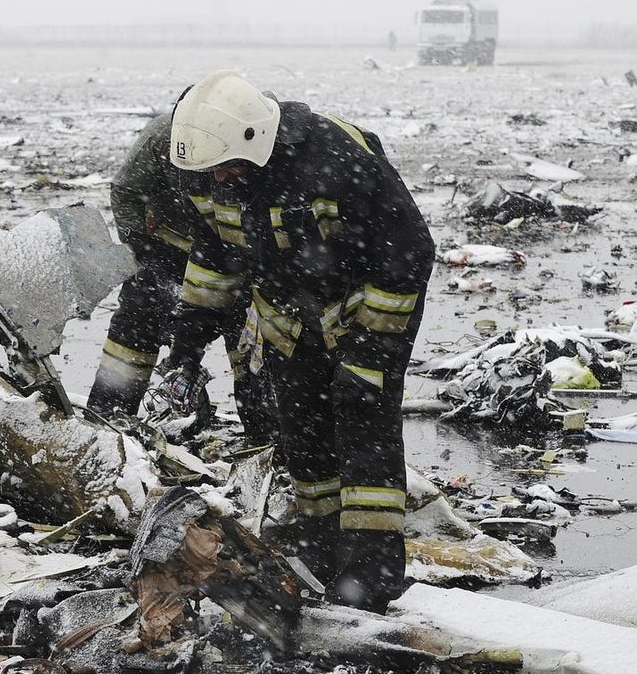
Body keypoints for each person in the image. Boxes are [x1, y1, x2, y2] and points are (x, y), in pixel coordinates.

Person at [163, 70, 435, 613]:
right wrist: (186, 349)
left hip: (367, 309)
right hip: (288, 317)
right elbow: (215, 260)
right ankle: (322, 552)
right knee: (303, 432)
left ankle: (370, 576)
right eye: (209, 173)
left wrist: (368, 355)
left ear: (255, 143)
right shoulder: (206, 173)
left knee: (363, 428)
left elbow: (407, 254)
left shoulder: (336, 159)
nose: (219, 180)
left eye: (226, 168)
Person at [86, 111, 277, 444]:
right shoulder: (161, 137)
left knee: (248, 339)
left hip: (233, 251)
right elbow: (125, 191)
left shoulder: (255, 139)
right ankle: (104, 421)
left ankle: (264, 437)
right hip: (167, 245)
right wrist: (142, 253)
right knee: (136, 325)